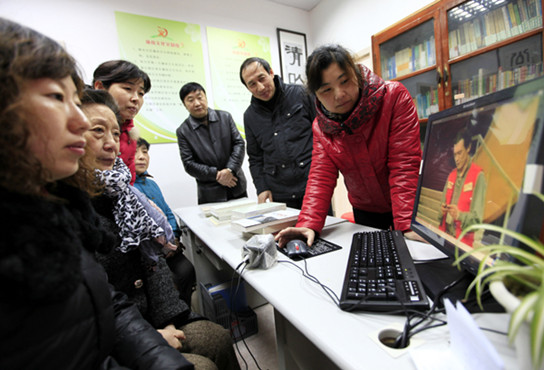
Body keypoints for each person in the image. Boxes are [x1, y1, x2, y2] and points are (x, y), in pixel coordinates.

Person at [0, 18, 193, 369]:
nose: (77, 123)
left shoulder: (58, 203)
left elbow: (105, 301)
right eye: (57, 98)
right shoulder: (69, 198)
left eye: (75, 102)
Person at [80, 88, 240, 370]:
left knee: (216, 337)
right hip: (118, 333)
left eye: (116, 134)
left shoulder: (123, 195)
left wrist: (167, 319)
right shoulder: (74, 205)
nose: (111, 145)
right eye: (97, 131)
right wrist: (152, 336)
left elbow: (151, 264)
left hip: (148, 314)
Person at [276, 44, 422, 248]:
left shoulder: (393, 97)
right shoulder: (322, 127)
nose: (339, 94)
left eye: (344, 81)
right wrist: (308, 223)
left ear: (356, 73)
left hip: (409, 206)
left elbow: (404, 166)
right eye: (326, 90)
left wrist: (406, 223)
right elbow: (320, 177)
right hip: (365, 211)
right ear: (315, 95)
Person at [239, 57, 315, 209]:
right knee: (286, 233)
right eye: (252, 84)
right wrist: (261, 187)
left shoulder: (301, 94)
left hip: (312, 185)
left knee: (321, 230)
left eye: (262, 78)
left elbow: (322, 135)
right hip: (279, 192)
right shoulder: (250, 116)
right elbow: (255, 157)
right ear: (248, 88)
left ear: (271, 73)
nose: (260, 87)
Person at [135, 137, 197, 305]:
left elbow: (168, 213)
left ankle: (185, 311)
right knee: (168, 281)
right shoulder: (128, 188)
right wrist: (163, 246)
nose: (141, 157)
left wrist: (175, 237)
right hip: (151, 253)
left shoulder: (152, 184)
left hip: (170, 247)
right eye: (135, 152)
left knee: (187, 270)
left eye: (145, 152)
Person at [176, 82, 247, 204]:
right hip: (210, 193)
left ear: (206, 98)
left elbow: (239, 144)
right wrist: (217, 175)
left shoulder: (225, 117)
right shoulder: (183, 131)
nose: (197, 103)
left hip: (236, 184)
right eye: (190, 100)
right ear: (184, 105)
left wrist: (229, 170)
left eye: (200, 97)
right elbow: (189, 163)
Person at [93, 59, 151, 185]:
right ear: (100, 87)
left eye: (141, 93)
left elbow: (129, 179)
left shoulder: (130, 131)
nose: (136, 98)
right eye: (127, 88)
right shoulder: (83, 124)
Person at [438, 128, 486, 246]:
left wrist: (459, 216)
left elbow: (477, 220)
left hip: (462, 243)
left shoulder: (478, 176)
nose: (457, 159)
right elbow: (441, 206)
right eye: (455, 154)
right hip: (444, 237)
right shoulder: (451, 175)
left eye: (460, 153)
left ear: (468, 148)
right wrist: (442, 209)